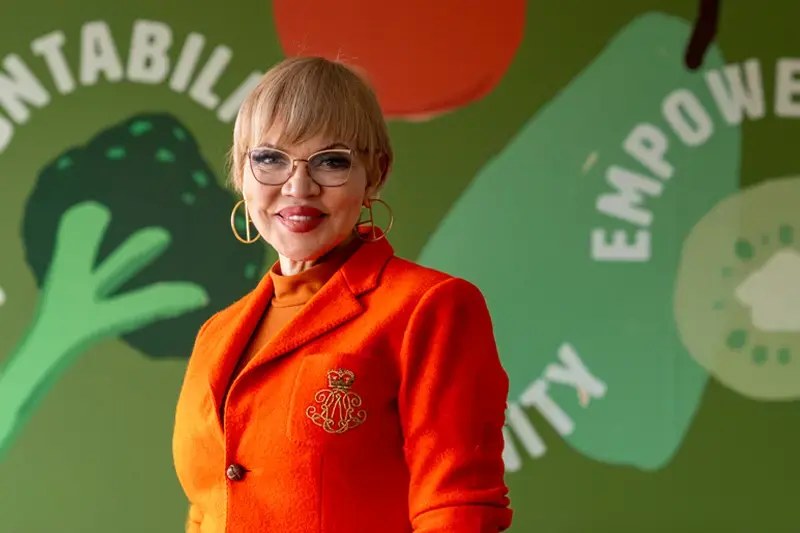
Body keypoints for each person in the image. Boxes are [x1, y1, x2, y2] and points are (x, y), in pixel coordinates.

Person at [172, 56, 513, 533]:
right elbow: (208, 507)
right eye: (269, 158)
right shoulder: (218, 333)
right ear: (241, 174)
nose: (298, 187)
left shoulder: (430, 307)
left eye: (331, 161)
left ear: (375, 174)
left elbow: (457, 512)